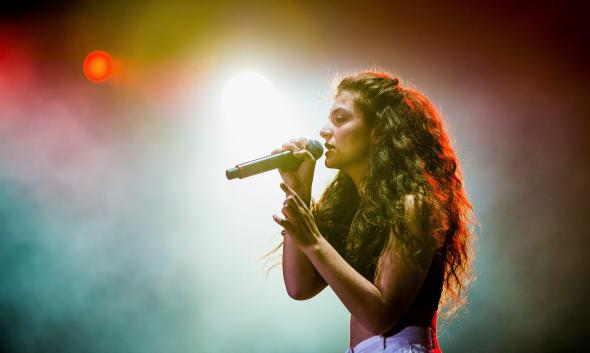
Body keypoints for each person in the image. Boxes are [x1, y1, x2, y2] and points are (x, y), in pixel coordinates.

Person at [269, 71, 476, 353]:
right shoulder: (352, 207)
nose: (324, 131)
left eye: (340, 119)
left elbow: (381, 316)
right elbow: (299, 287)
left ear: (379, 131)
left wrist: (313, 241)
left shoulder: (413, 204)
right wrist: (299, 193)